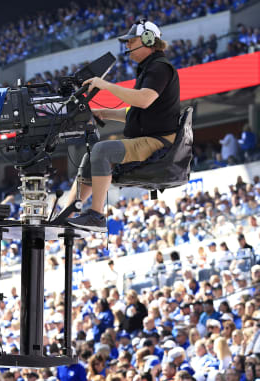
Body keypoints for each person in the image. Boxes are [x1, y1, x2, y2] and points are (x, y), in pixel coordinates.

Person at [64, 20, 181, 232]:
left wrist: (106, 85)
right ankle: (65, 213)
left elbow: (143, 100)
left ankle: (96, 216)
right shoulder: (151, 69)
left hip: (158, 144)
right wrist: (105, 113)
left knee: (101, 150)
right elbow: (137, 113)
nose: (127, 46)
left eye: (131, 41)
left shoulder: (159, 68)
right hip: (149, 139)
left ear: (148, 41)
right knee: (91, 156)